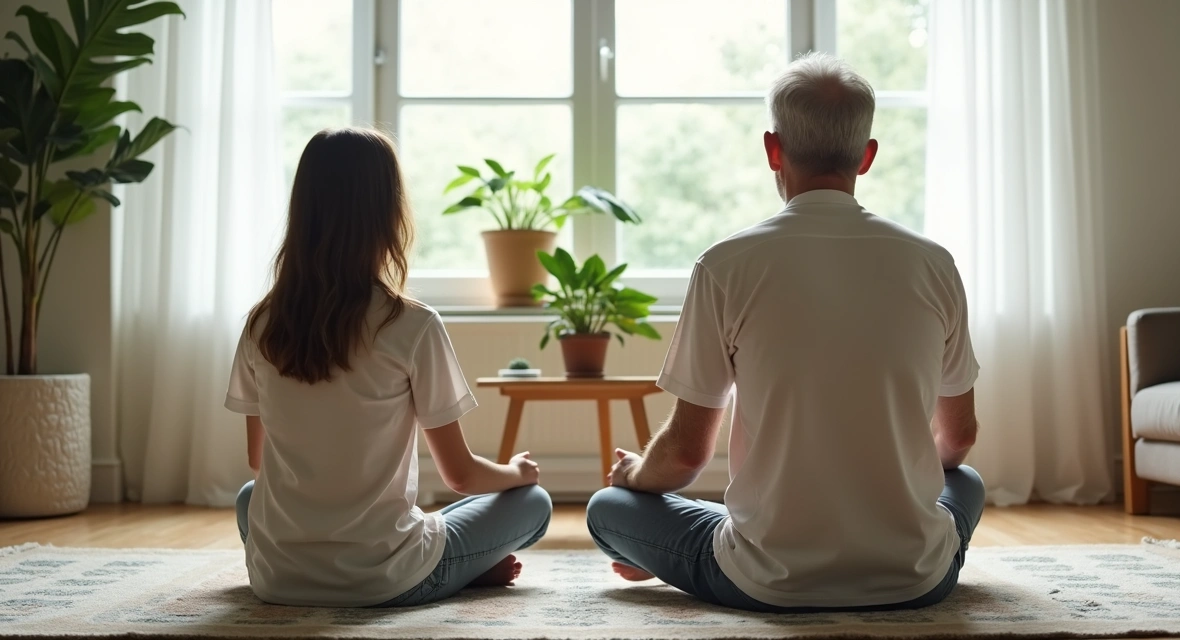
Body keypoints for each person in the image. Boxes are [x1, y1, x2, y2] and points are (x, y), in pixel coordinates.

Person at [585, 52, 985, 613]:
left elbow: (683, 455)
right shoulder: (933, 263)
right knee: (964, 480)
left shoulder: (725, 265)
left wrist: (632, 475)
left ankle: (664, 550)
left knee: (608, 508)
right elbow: (958, 437)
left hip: (767, 580)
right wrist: (895, 478)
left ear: (773, 149)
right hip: (915, 578)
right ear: (866, 157)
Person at [225, 128, 551, 608]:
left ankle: (461, 562)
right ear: (388, 214)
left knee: (251, 495)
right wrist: (516, 471)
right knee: (533, 504)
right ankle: (465, 567)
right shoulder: (411, 324)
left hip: (277, 578)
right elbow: (461, 477)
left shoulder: (262, 324)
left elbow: (260, 458)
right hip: (385, 578)